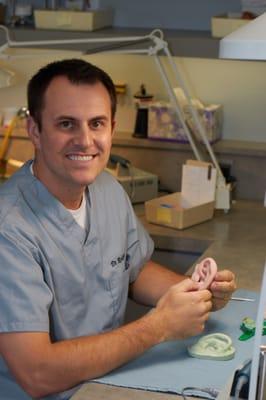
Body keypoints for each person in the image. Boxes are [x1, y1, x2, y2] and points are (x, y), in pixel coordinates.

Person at [0, 59, 236, 400]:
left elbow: (132, 269)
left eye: (96, 124)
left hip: (105, 380)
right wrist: (158, 327)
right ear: (34, 129)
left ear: (112, 127)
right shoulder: (10, 229)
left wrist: (196, 293)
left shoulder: (107, 190)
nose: (85, 140)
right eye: (66, 124)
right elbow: (37, 374)